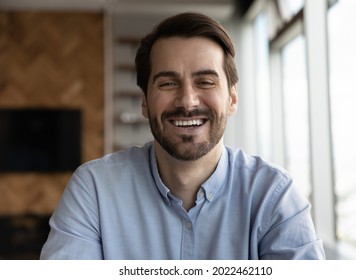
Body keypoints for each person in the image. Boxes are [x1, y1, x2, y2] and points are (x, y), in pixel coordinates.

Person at [40, 12, 325, 260]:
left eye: (205, 82)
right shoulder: (94, 190)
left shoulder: (275, 196)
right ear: (144, 102)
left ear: (232, 98)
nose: (187, 101)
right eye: (168, 83)